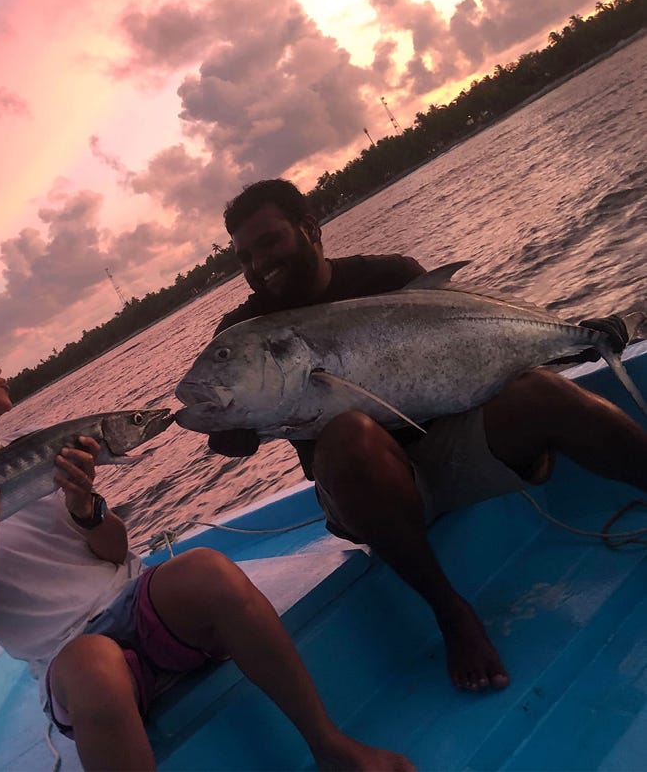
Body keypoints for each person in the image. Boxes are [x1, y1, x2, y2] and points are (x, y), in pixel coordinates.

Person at [0, 329, 412, 772]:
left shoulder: (38, 452)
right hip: (68, 660)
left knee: (209, 569)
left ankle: (330, 745)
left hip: (141, 606)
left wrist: (85, 506)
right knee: (95, 665)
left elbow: (113, 549)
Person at [209, 178, 647, 693]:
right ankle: (453, 616)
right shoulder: (243, 330)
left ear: (309, 229)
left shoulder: (390, 276)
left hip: (457, 450)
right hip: (365, 490)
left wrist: (574, 342)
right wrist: (228, 433)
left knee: (543, 392)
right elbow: (221, 414)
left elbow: (481, 344)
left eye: (268, 242)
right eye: (244, 257)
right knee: (349, 433)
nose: (258, 265)